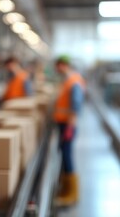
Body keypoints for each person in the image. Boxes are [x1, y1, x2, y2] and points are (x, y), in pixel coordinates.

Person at [53, 54, 85, 206]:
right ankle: (66, 190)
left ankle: (72, 193)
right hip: (63, 124)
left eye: (58, 65)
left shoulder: (73, 81)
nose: (57, 69)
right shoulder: (67, 80)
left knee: (67, 156)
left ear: (64, 65)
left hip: (68, 125)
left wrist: (70, 127)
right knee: (65, 156)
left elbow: (76, 105)